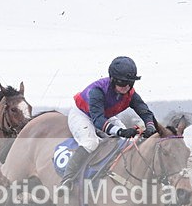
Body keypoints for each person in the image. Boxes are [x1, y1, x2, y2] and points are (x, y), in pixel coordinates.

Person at [59, 56, 158, 190]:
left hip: (105, 115)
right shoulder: (97, 91)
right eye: (122, 83)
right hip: (82, 114)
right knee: (91, 143)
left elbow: (145, 112)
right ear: (112, 80)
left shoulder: (130, 93)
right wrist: (121, 131)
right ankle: (67, 179)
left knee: (127, 141)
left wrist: (150, 126)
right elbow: (98, 121)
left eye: (129, 83)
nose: (126, 87)